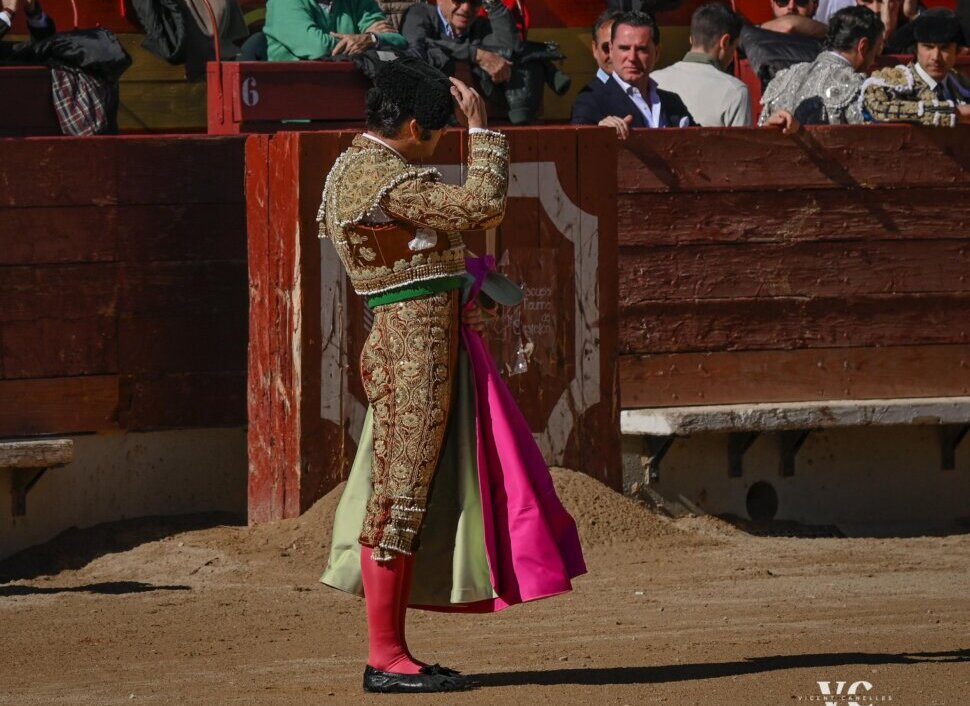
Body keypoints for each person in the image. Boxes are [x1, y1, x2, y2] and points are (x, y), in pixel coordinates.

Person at [317, 57, 586, 693]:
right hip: (414, 356)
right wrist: (482, 130)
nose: (436, 146)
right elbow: (483, 204)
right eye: (434, 136)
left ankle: (391, 650)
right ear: (412, 125)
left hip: (419, 345)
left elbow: (411, 248)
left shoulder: (358, 168)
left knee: (408, 495)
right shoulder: (384, 177)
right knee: (399, 498)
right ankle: (383, 657)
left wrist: (459, 276)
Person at [401, 0, 563, 125]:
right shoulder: (419, 13)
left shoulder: (479, 25)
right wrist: (477, 54)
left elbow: (511, 48)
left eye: (474, 1)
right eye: (458, 0)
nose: (466, 8)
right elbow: (416, 48)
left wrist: (493, 4)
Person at [571, 10, 696, 138]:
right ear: (611, 50)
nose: (632, 57)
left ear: (657, 53)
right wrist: (600, 137)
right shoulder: (590, 101)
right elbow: (577, 152)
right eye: (624, 48)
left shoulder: (672, 102)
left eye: (641, 49)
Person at [759, 5, 884, 125]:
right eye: (875, 52)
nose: (873, 61)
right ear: (863, 47)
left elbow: (759, 134)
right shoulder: (858, 87)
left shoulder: (783, 78)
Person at [861, 8, 970, 126]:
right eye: (928, 47)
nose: (936, 57)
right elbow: (878, 107)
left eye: (944, 48)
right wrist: (954, 111)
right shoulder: (895, 80)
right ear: (915, 49)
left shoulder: (961, 82)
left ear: (957, 51)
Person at [652, 2, 752, 127]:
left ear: (691, 39)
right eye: (734, 48)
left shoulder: (653, 81)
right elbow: (742, 145)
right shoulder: (735, 92)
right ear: (725, 42)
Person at [263, 0, 406, 61]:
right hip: (297, 109)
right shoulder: (283, 2)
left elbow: (399, 41)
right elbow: (318, 46)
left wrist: (371, 39)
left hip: (351, 99)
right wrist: (358, 41)